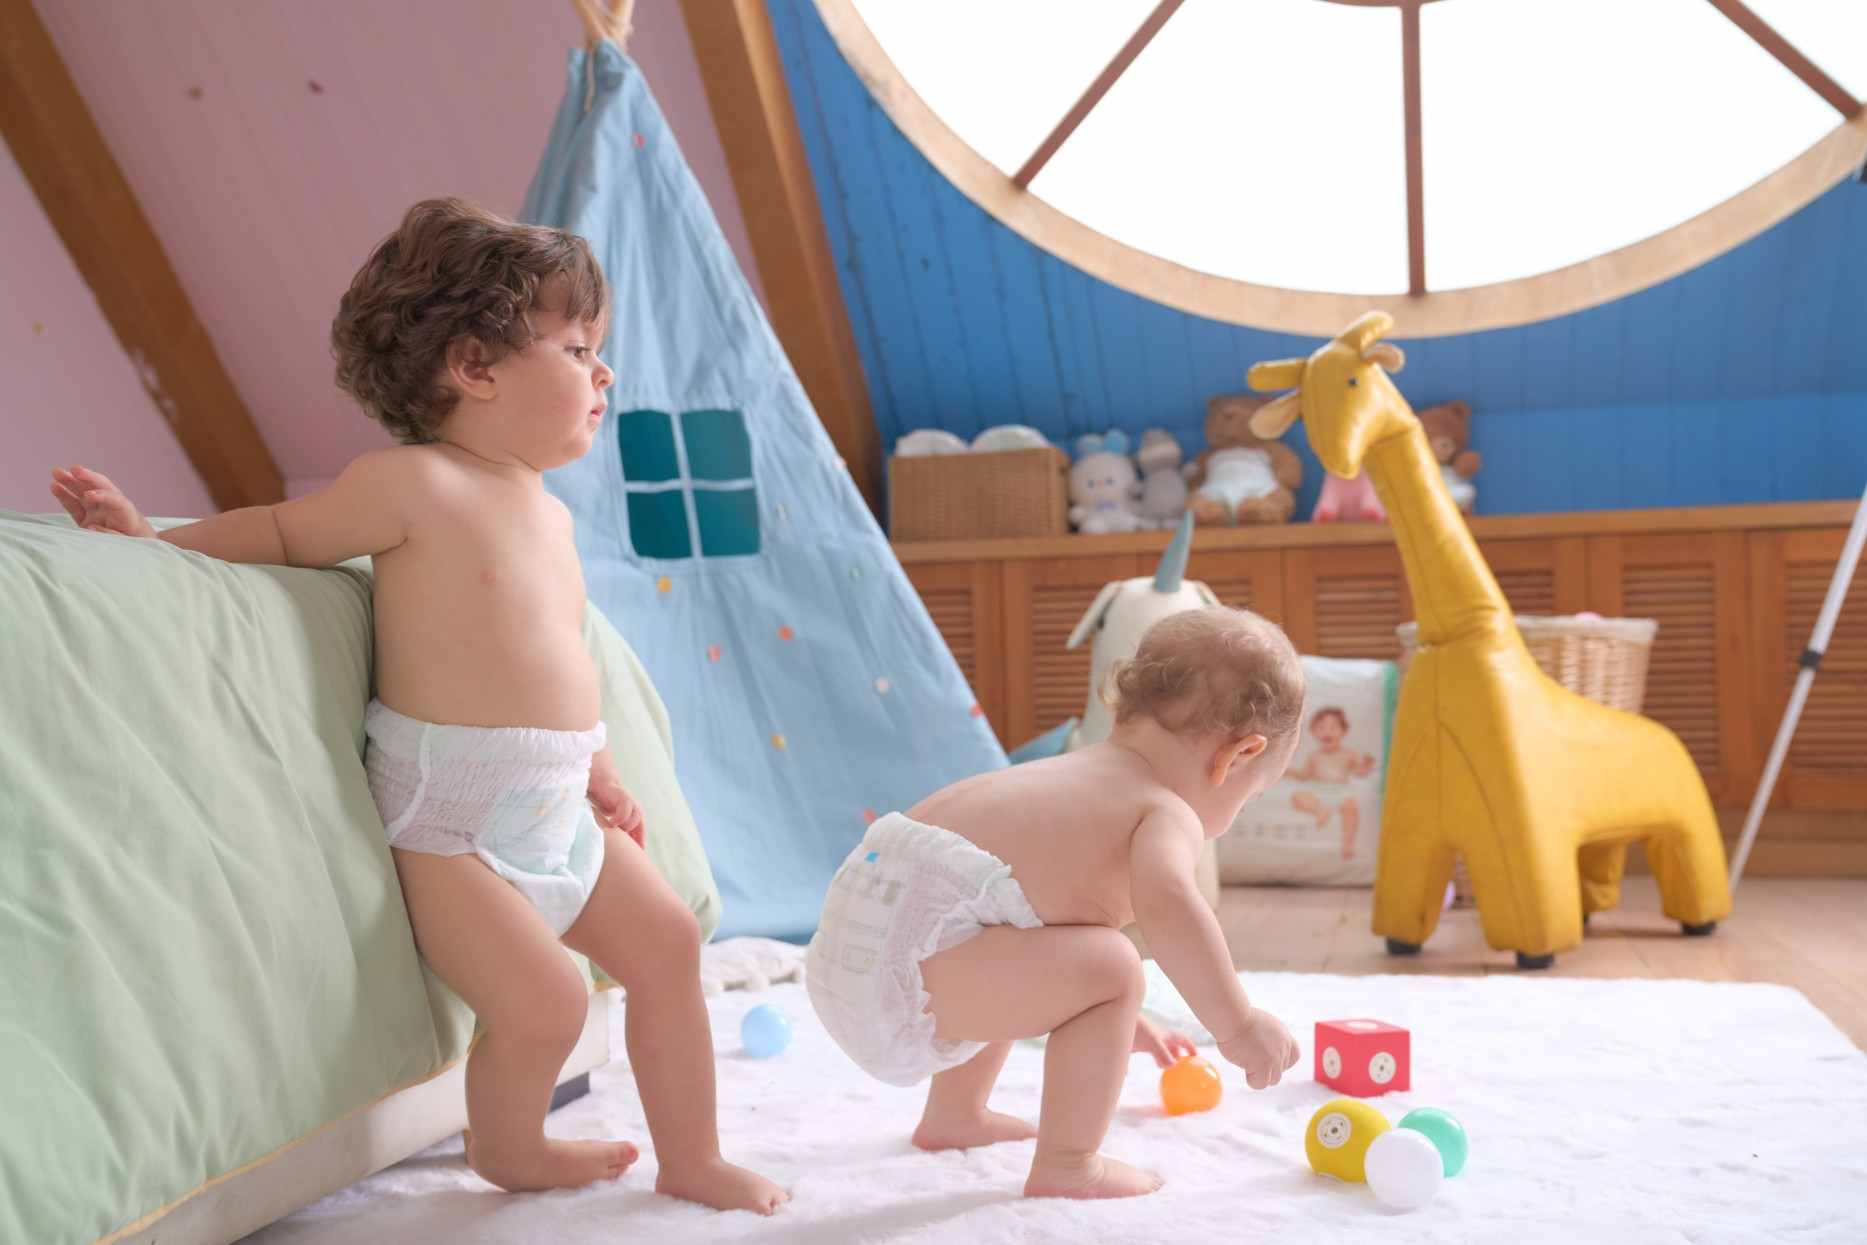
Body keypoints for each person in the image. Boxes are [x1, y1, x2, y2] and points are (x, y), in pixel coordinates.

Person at [48, 198, 787, 1214]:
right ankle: (510, 1147)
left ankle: (692, 1156)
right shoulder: (412, 484)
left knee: (668, 945)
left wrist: (600, 769)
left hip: (556, 804)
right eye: (577, 348)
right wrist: (150, 541)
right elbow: (281, 532)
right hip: (450, 825)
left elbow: (559, 659)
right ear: (475, 367)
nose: (603, 372)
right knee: (546, 1000)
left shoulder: (547, 513)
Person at [806, 606, 1306, 1199]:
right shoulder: (1163, 808)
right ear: (1237, 756)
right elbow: (1172, 905)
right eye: (1251, 797)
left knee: (1017, 933)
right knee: (1115, 968)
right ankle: (1069, 1163)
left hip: (852, 946)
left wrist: (1119, 1022)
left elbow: (1030, 949)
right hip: (904, 972)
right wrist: (1237, 1024)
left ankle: (955, 1116)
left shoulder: (1077, 774)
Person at [1288, 707, 1377, 860]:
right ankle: (1320, 811)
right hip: (1318, 793)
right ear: (1313, 732)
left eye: (1333, 728)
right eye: (1321, 728)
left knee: (1351, 806)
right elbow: (1304, 776)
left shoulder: (1348, 754)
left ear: (1343, 731)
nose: (1327, 732)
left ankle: (1348, 844)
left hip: (1340, 792)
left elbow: (1358, 771)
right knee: (1297, 797)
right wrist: (1288, 772)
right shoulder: (1314, 756)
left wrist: (1367, 765)